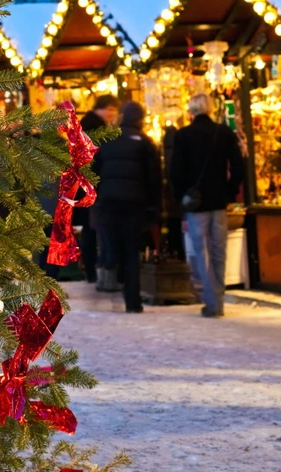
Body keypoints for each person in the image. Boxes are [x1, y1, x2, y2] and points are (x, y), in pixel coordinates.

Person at [169, 93, 244, 318]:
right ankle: (217, 299)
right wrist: (229, 191)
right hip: (219, 201)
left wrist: (181, 197)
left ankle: (212, 301)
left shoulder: (183, 135)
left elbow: (176, 172)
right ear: (211, 108)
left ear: (191, 109)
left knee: (201, 253)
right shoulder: (224, 133)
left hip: (195, 204)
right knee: (219, 250)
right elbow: (238, 166)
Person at [92, 101, 161, 313]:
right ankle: (133, 301)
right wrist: (154, 207)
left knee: (114, 243)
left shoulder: (108, 140)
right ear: (140, 119)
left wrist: (98, 199)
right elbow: (154, 178)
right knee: (132, 249)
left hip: (110, 202)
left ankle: (116, 268)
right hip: (134, 203)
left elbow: (95, 171)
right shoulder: (145, 142)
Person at [78, 95, 119, 286]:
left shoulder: (87, 122)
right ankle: (96, 269)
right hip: (93, 183)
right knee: (95, 228)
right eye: (111, 109)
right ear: (102, 108)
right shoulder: (95, 126)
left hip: (86, 182)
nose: (112, 114)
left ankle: (92, 270)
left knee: (91, 227)